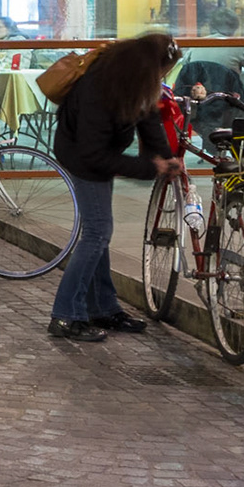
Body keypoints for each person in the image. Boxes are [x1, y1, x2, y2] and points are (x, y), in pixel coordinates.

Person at [49, 32, 181, 342]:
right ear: (151, 66)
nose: (165, 76)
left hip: (96, 154)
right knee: (97, 232)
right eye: (165, 70)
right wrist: (150, 167)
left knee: (99, 234)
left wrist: (166, 158)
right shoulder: (98, 86)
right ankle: (65, 315)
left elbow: (149, 119)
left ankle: (103, 309)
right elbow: (92, 154)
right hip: (82, 158)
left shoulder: (134, 80)